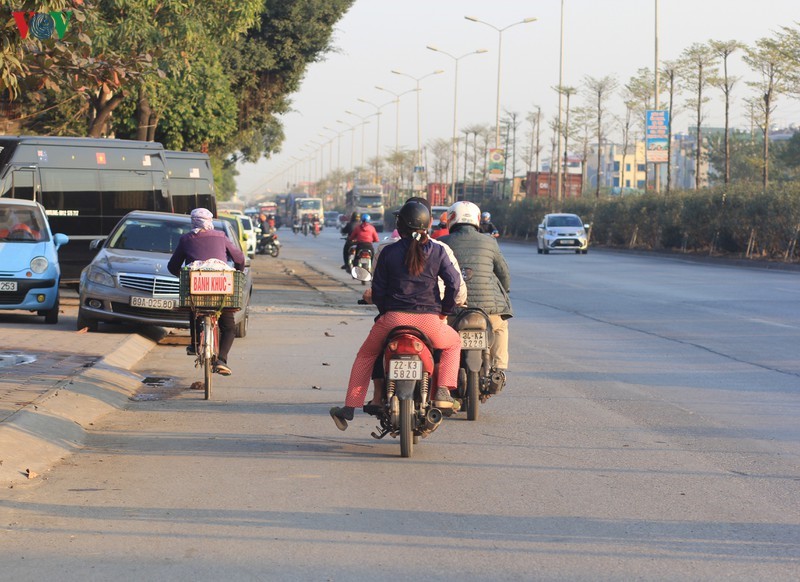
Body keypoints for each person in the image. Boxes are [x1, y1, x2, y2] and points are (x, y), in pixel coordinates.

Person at [330, 200, 462, 430]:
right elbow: (454, 284)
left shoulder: (389, 251)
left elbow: (379, 290)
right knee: (453, 344)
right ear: (427, 226)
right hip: (429, 323)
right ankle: (442, 391)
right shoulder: (438, 251)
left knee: (365, 356)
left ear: (399, 226)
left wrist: (385, 313)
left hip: (392, 321)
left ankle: (350, 407)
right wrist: (445, 310)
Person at [439, 201, 512, 384]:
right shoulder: (490, 242)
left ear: (451, 219)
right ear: (477, 219)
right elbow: (503, 273)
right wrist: (505, 289)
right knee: (501, 327)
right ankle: (499, 369)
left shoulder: (442, 243)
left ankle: (440, 376)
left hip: (453, 311)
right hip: (489, 311)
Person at [168, 208, 245, 376]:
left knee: (193, 307)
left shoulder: (186, 239)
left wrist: (182, 276)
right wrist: (238, 270)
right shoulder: (220, 236)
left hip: (198, 289)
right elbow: (239, 259)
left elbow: (172, 266)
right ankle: (221, 360)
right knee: (229, 327)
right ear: (211, 221)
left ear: (193, 222)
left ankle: (195, 344)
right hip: (222, 288)